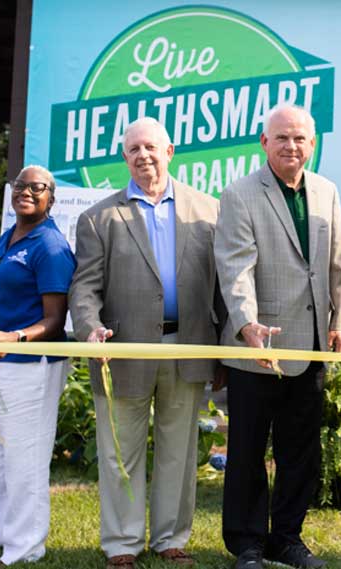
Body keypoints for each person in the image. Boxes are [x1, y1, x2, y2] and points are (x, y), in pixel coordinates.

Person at [69, 117, 222, 569]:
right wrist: (89, 329)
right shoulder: (98, 218)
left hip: (188, 347)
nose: (143, 156)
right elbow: (84, 288)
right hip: (121, 353)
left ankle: (171, 538)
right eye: (134, 149)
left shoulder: (208, 210)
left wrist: (226, 348)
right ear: (125, 158)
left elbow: (222, 286)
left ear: (170, 151)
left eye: (151, 147)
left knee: (179, 451)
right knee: (120, 454)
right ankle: (122, 544)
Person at [215, 104, 341, 569]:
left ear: (312, 144)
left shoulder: (328, 192)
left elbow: (337, 265)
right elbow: (235, 268)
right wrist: (247, 323)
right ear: (264, 142)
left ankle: (287, 539)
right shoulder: (239, 194)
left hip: (308, 346)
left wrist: (339, 323)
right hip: (256, 347)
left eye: (300, 139)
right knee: (248, 450)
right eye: (282, 138)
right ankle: (247, 545)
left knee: (300, 451)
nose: (292, 146)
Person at [0, 165, 75, 566]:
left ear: (51, 198)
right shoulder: (9, 237)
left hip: (32, 364)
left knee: (24, 457)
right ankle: (7, 535)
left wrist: (15, 339)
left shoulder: (50, 246)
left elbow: (54, 320)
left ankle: (27, 546)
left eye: (37, 187)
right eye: (20, 185)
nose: (26, 192)